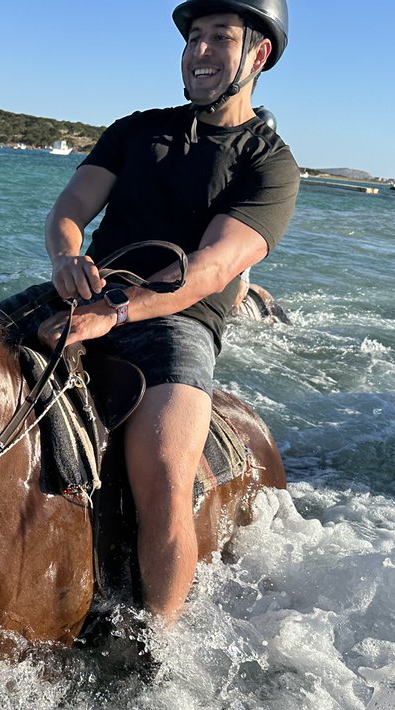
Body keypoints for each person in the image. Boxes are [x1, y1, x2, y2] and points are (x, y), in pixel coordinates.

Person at [35, 0, 299, 626]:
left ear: (258, 55)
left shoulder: (270, 163)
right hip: (86, 293)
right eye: (194, 37)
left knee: (164, 475)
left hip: (178, 321)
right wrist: (67, 258)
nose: (200, 51)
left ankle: (161, 643)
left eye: (220, 38)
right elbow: (69, 209)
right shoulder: (135, 129)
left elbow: (209, 268)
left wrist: (113, 311)